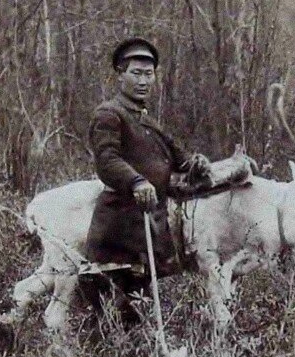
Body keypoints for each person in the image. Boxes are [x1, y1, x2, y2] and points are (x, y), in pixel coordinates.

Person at [84, 37, 210, 322]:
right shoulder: (109, 114)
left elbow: (179, 158)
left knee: (139, 309)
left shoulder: (149, 122)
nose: (144, 81)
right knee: (112, 312)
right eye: (136, 73)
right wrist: (137, 181)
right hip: (118, 229)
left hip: (149, 230)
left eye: (149, 74)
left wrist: (196, 164)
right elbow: (107, 160)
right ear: (120, 75)